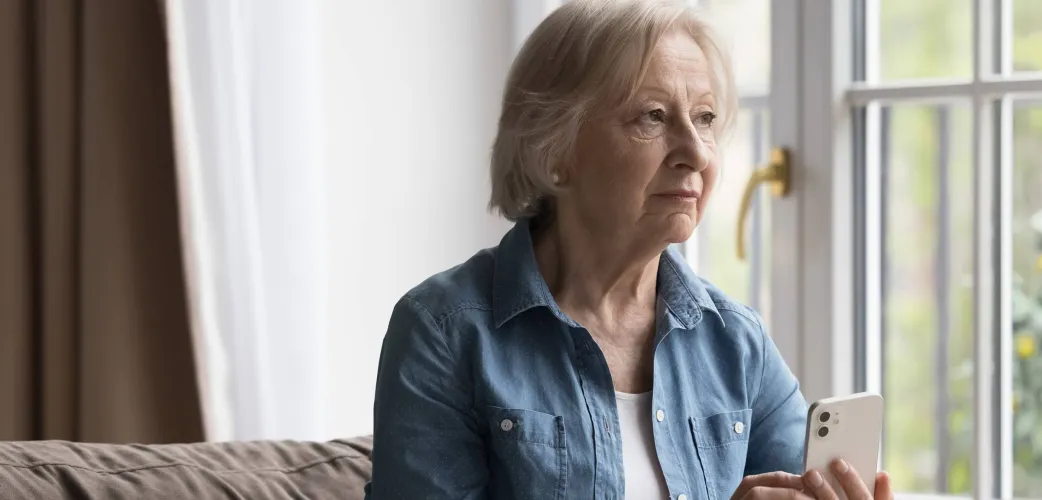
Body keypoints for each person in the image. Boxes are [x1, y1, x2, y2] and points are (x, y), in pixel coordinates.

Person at [365, 1, 893, 499]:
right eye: (654, 116)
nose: (695, 151)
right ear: (554, 149)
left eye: (705, 118)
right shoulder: (442, 331)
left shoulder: (736, 342)